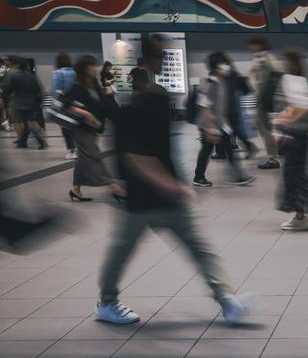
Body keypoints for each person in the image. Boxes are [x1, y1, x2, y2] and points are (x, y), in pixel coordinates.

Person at [95, 34, 252, 326]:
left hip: (168, 195)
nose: (162, 60)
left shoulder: (160, 99)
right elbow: (134, 156)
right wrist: (169, 184)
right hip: (141, 198)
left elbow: (161, 148)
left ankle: (226, 299)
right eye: (157, 55)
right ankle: (106, 302)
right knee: (121, 252)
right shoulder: (132, 108)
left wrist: (206, 127)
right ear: (142, 62)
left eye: (164, 55)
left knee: (199, 248)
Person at [273, 48, 308, 231]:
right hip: (303, 137)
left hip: (294, 137)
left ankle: (301, 217)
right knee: (296, 175)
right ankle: (300, 216)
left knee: (293, 177)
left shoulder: (289, 80)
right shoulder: (302, 80)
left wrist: (285, 121)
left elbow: (302, 106)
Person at [62, 55, 125, 202]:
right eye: (92, 66)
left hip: (93, 128)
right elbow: (65, 104)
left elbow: (103, 105)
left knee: (83, 158)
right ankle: (114, 187)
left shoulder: (95, 85)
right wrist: (84, 113)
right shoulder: (77, 85)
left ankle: (75, 189)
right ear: (85, 68)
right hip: (81, 128)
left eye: (95, 65)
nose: (95, 68)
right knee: (94, 156)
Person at [193, 52, 255, 188]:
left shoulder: (222, 83)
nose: (227, 67)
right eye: (224, 64)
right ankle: (198, 177)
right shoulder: (208, 84)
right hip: (207, 124)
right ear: (215, 67)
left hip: (220, 123)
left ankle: (240, 176)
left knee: (228, 147)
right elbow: (204, 108)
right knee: (206, 150)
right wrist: (210, 128)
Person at [248, 34, 281, 170]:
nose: (250, 47)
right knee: (264, 127)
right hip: (263, 98)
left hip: (264, 99)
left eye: (252, 44)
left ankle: (273, 158)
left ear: (259, 44)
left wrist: (263, 97)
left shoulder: (263, 58)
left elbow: (276, 74)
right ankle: (274, 155)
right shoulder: (262, 58)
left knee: (265, 129)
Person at [2, 59, 47, 150]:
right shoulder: (32, 76)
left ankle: (38, 141)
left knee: (29, 123)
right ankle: (24, 142)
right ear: (27, 66)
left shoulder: (15, 77)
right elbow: (38, 90)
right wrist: (40, 102)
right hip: (33, 103)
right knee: (29, 123)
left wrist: (6, 99)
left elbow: (9, 90)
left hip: (20, 104)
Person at [51, 52, 77, 159]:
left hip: (64, 103)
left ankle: (72, 151)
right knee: (76, 126)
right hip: (76, 103)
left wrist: (55, 103)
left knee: (66, 127)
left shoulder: (57, 72)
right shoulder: (75, 72)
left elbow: (56, 90)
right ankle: (80, 148)